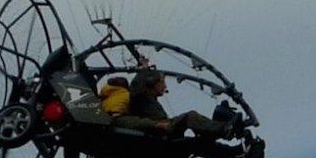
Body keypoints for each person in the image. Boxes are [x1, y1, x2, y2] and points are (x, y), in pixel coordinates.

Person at [97, 64, 233, 140]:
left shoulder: (147, 100)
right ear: (152, 82)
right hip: (159, 133)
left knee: (196, 144)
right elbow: (136, 91)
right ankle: (223, 128)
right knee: (189, 117)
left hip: (163, 130)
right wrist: (144, 70)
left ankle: (235, 153)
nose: (165, 88)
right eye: (162, 83)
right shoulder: (139, 98)